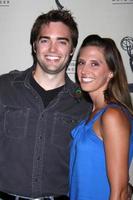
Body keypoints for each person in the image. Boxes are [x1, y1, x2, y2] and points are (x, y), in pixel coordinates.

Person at [0, 9, 92, 200]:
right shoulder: (4, 87)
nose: (52, 49)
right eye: (45, 40)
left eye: (62, 42)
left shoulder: (84, 103)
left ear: (72, 49)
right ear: (35, 45)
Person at [69, 34, 133, 200]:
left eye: (94, 64)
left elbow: (119, 193)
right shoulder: (92, 114)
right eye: (81, 62)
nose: (84, 70)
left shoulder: (112, 116)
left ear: (111, 72)